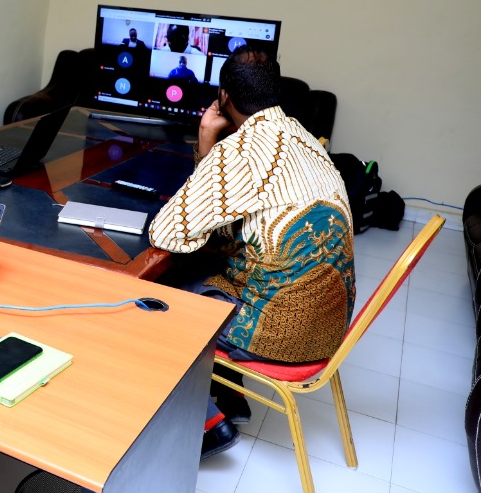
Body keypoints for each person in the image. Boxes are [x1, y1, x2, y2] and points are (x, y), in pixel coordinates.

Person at [148, 44, 354, 460]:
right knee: (218, 265)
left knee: (157, 296)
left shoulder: (239, 151)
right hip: (330, 329)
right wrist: (210, 145)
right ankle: (231, 398)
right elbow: (234, 220)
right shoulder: (306, 138)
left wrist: (207, 139)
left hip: (278, 337)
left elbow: (167, 233)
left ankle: (209, 426)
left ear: (224, 96)